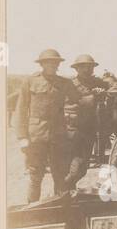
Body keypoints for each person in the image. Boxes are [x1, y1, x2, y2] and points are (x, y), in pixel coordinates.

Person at [14, 48, 80, 203]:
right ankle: (31, 212)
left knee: (60, 173)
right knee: (36, 174)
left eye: (55, 63)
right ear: (42, 64)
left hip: (58, 135)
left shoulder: (64, 83)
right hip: (36, 135)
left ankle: (60, 209)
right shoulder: (30, 81)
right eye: (48, 63)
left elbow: (78, 98)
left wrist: (96, 93)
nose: (52, 65)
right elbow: (21, 110)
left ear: (58, 65)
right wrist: (22, 137)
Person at [63, 54, 110, 190]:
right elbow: (77, 102)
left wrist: (105, 89)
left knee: (84, 167)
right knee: (75, 163)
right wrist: (94, 95)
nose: (87, 69)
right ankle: (63, 189)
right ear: (76, 69)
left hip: (89, 128)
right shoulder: (70, 84)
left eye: (90, 67)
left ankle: (67, 189)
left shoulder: (96, 82)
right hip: (73, 128)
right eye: (83, 67)